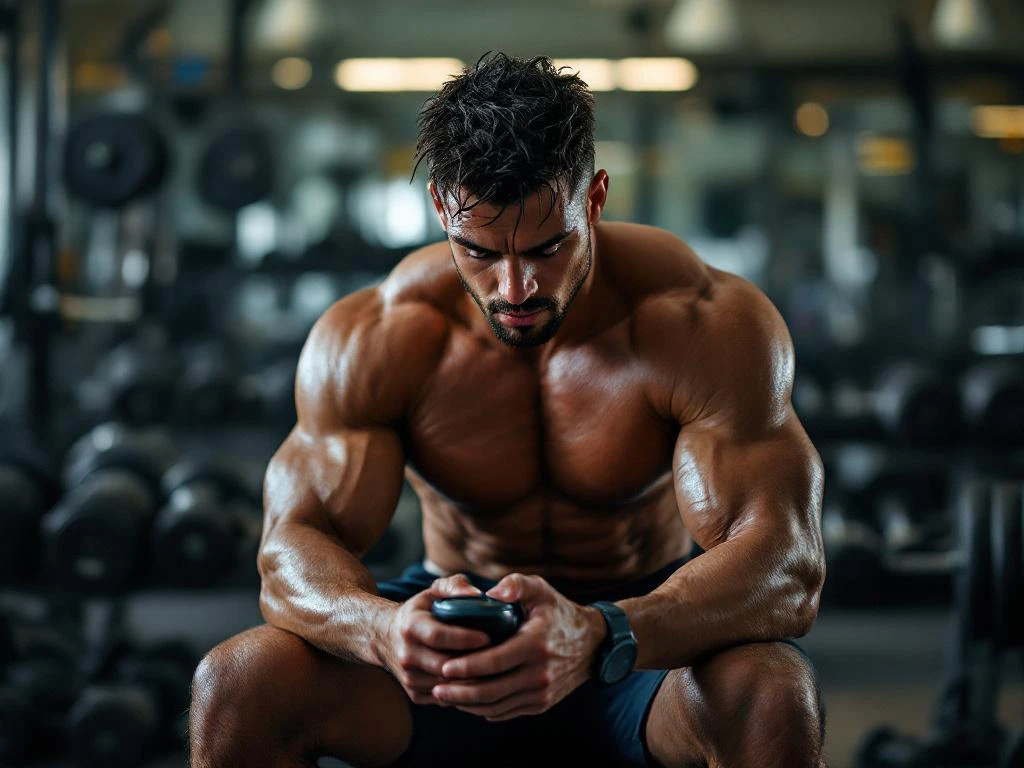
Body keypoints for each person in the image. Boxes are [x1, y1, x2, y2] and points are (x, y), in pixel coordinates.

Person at [190, 53, 827, 768]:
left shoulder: (703, 323)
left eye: (548, 248)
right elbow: (289, 550)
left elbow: (788, 565)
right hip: (449, 648)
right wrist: (382, 628)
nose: (516, 287)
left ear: (594, 199)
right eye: (479, 251)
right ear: (441, 208)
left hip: (639, 648)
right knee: (239, 681)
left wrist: (604, 632)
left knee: (773, 692)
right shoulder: (380, 336)